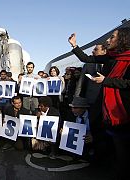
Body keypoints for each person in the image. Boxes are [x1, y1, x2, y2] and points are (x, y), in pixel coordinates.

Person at [69, 28, 130, 178]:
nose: (108, 40)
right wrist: (74, 46)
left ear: (123, 39)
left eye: (112, 37)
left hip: (124, 111)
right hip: (108, 111)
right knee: (115, 149)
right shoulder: (110, 57)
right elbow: (86, 59)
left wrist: (106, 81)